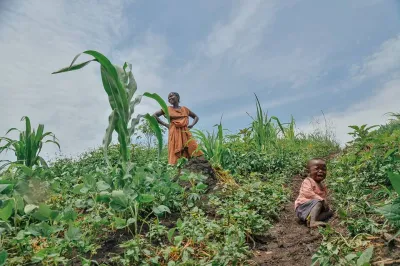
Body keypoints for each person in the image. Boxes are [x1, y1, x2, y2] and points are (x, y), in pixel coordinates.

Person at [153, 92, 203, 165]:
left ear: (177, 97)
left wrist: (191, 125)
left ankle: (194, 165)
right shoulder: (167, 109)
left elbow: (196, 117)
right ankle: (176, 167)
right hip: (174, 131)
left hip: (185, 131)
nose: (170, 98)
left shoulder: (185, 109)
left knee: (192, 146)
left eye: (171, 96)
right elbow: (154, 115)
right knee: (175, 148)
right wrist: (166, 124)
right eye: (168, 98)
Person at [295, 158, 333, 228]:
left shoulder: (323, 186)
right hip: (302, 208)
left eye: (324, 169)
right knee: (318, 201)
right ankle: (313, 222)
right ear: (308, 171)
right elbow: (308, 193)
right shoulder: (308, 181)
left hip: (312, 210)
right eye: (317, 169)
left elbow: (323, 198)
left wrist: (326, 206)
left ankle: (310, 219)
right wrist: (322, 200)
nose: (321, 171)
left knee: (330, 212)